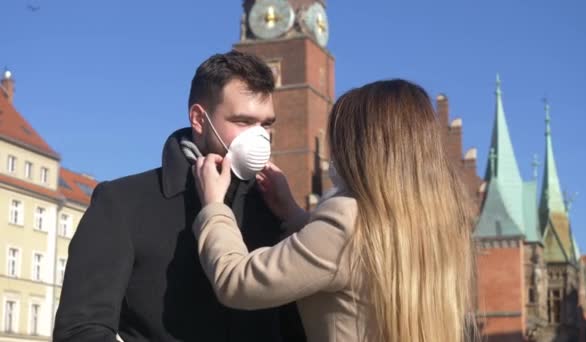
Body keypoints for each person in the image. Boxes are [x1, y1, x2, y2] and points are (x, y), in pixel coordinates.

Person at [192, 79, 479, 342]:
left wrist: (215, 207)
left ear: (361, 147)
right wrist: (293, 213)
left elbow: (236, 281)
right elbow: (360, 262)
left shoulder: (347, 220)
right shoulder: (439, 223)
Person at [53, 50, 305, 342]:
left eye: (266, 124)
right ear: (199, 119)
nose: (260, 137)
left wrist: (293, 220)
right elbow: (80, 330)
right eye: (243, 122)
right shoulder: (123, 203)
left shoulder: (274, 211)